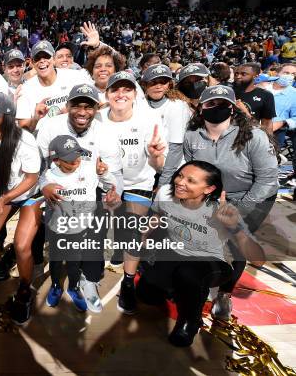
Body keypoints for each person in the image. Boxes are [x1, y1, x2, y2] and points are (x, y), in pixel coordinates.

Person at [159, 85, 278, 320]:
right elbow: (190, 170)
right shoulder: (192, 135)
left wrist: (240, 208)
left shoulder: (254, 136)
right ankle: (196, 285)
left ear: (232, 108)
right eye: (211, 103)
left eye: (223, 104)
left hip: (253, 196)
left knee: (236, 244)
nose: (217, 108)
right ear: (201, 108)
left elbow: (267, 179)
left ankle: (224, 294)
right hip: (214, 195)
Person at [138, 160, 264, 347]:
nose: (180, 182)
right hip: (176, 254)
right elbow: (157, 215)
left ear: (208, 189)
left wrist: (235, 227)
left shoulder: (223, 210)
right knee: (147, 295)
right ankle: (179, 291)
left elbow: (258, 260)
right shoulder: (166, 193)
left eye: (191, 180)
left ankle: (190, 321)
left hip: (212, 263)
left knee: (189, 274)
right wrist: (142, 237)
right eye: (180, 176)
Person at [36, 84, 124, 311]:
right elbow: (38, 167)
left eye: (88, 106)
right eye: (76, 105)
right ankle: (55, 281)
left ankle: (89, 281)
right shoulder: (50, 126)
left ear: (96, 108)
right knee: (56, 244)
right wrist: (44, 187)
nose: (82, 112)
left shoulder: (106, 133)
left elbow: (113, 173)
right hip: (59, 188)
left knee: (95, 234)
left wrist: (113, 191)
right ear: (67, 106)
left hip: (91, 188)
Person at [98, 71, 166, 315]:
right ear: (107, 94)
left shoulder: (150, 119)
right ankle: (88, 274)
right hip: (105, 183)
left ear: (135, 94)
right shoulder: (97, 119)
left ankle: (128, 282)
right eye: (115, 89)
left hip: (138, 183)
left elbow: (159, 166)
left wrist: (156, 155)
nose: (121, 94)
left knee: (131, 231)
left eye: (127, 89)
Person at [0, 93, 42, 324]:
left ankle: (24, 289)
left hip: (28, 195)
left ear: (7, 117)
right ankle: (2, 267)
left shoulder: (24, 140)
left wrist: (4, 198)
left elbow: (31, 178)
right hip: (3, 194)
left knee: (23, 246)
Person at [40, 135, 120, 312]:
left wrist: (104, 173)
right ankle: (55, 286)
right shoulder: (50, 176)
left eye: (78, 156)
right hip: (58, 228)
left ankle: (73, 288)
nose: (76, 162)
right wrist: (45, 189)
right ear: (56, 160)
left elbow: (111, 185)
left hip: (81, 228)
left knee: (74, 262)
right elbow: (41, 186)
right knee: (56, 261)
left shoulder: (89, 169)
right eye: (69, 160)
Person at [16, 40, 90, 131]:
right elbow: (23, 129)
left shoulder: (75, 77)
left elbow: (95, 106)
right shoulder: (25, 89)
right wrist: (35, 118)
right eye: (37, 58)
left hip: (74, 136)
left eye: (46, 56)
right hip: (42, 141)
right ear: (32, 62)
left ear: (54, 59)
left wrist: (74, 110)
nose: (42, 61)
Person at [140, 64, 192, 186]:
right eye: (153, 82)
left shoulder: (177, 106)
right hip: (145, 171)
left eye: (163, 82)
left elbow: (176, 148)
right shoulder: (139, 104)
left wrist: (163, 182)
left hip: (169, 170)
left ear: (169, 84)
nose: (158, 86)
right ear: (145, 84)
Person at [233, 63, 276, 133]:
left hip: (251, 137)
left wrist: (269, 142)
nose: (238, 76)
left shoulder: (266, 95)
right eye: (236, 74)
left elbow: (267, 124)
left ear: (256, 77)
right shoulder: (227, 91)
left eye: (243, 74)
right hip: (226, 137)